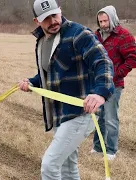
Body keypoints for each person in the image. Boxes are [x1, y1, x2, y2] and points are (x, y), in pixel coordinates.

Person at [18, 0, 115, 179]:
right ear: (37, 21)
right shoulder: (42, 41)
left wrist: (100, 92)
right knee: (68, 168)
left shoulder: (79, 34)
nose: (53, 21)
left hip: (80, 113)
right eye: (46, 18)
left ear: (60, 10)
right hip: (60, 114)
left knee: (50, 165)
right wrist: (32, 82)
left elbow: (103, 61)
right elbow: (50, 73)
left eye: (55, 15)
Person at [91, 5, 136, 160]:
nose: (103, 24)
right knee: (99, 116)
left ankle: (111, 151)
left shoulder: (124, 35)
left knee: (110, 118)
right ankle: (97, 147)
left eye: (105, 20)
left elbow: (133, 58)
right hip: (98, 84)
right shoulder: (96, 35)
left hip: (114, 85)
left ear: (113, 18)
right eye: (100, 21)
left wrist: (117, 74)